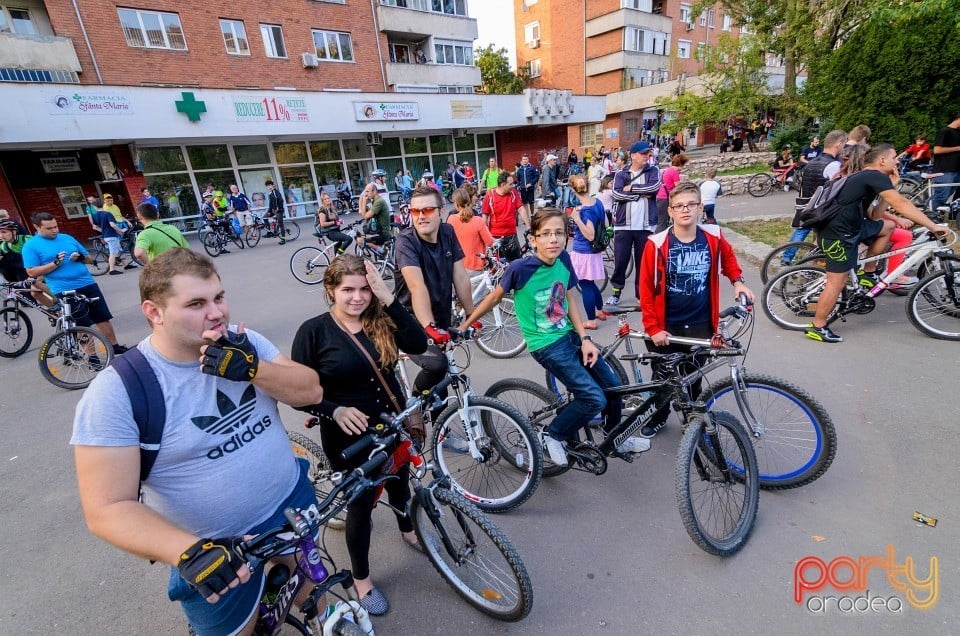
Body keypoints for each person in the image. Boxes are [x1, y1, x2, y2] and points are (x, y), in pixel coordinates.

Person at [72, 248, 324, 636]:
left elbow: (311, 390)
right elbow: (106, 507)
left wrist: (255, 370)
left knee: (312, 591)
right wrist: (186, 553)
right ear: (153, 312)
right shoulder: (118, 391)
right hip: (217, 549)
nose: (217, 313)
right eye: (196, 303)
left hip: (291, 503)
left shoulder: (244, 342)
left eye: (219, 297)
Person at [290, 254, 426, 616]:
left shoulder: (378, 319)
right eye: (348, 289)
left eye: (364, 289)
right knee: (361, 506)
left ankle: (408, 528)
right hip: (349, 438)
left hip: (391, 422)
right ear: (330, 290)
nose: (357, 297)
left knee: (400, 478)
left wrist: (389, 298)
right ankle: (362, 579)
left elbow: (418, 344)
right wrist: (332, 409)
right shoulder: (313, 332)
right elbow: (298, 392)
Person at [459, 208, 647, 466]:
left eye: (559, 233)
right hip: (546, 345)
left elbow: (570, 298)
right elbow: (493, 298)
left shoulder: (564, 260)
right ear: (533, 239)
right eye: (545, 234)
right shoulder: (520, 268)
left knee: (612, 386)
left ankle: (615, 437)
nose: (553, 239)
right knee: (593, 398)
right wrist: (465, 324)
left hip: (569, 335)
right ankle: (553, 434)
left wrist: (585, 339)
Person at [638, 182, 754, 437]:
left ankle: (691, 419)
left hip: (701, 322)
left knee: (694, 375)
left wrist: (738, 283)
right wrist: (653, 327)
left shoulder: (713, 236)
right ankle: (659, 416)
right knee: (663, 378)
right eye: (679, 206)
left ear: (701, 207)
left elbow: (730, 261)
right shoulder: (656, 244)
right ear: (670, 211)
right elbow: (645, 288)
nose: (685, 210)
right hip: (666, 325)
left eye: (691, 204)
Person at [805, 144, 947, 343]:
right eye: (894, 157)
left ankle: (868, 272)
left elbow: (875, 216)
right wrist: (932, 226)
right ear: (882, 161)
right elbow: (902, 204)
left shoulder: (867, 178)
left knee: (887, 226)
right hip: (839, 235)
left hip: (851, 230)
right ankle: (817, 326)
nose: (897, 161)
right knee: (836, 282)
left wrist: (893, 187)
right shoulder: (873, 176)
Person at [393, 185, 474, 398]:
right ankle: (415, 404)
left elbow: (460, 275)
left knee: (443, 376)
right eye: (415, 211)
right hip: (409, 321)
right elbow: (416, 286)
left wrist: (471, 314)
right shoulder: (406, 241)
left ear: (440, 211)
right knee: (437, 365)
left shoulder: (448, 232)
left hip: (441, 315)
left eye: (427, 210)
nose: (421, 216)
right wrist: (429, 327)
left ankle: (442, 430)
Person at [22, 212, 127, 353]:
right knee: (82, 324)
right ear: (36, 227)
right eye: (49, 228)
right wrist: (54, 264)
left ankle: (114, 347)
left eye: (55, 226)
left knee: (102, 318)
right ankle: (92, 357)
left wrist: (81, 258)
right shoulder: (31, 246)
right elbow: (31, 272)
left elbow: (90, 258)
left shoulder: (67, 238)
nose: (54, 230)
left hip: (87, 282)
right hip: (64, 288)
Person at [607, 140, 661, 306]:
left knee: (642, 262)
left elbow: (654, 188)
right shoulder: (621, 174)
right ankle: (616, 293)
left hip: (645, 225)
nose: (647, 156)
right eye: (643, 153)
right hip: (624, 225)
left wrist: (632, 189)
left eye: (648, 153)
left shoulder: (653, 171)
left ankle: (641, 294)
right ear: (633, 156)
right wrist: (639, 194)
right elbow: (616, 194)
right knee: (621, 261)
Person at [566, 175, 609, 329]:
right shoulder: (597, 202)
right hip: (595, 251)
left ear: (573, 190)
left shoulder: (584, 211)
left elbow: (590, 235)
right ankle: (600, 310)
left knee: (585, 285)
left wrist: (576, 219)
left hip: (584, 251)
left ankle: (591, 320)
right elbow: (606, 223)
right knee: (590, 283)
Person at [448, 187, 494, 277]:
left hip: (458, 266)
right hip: (475, 266)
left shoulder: (451, 219)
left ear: (457, 205)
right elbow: (490, 242)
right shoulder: (478, 220)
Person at [481, 171, 526, 261]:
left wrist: (528, 226)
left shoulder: (513, 193)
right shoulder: (490, 196)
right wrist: (486, 236)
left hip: (511, 235)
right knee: (501, 265)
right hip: (496, 237)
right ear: (502, 185)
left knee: (517, 263)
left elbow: (521, 209)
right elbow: (485, 216)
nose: (513, 186)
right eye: (510, 184)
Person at [930, 115, 960, 219]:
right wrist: (957, 148)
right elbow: (937, 150)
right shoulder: (945, 132)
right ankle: (934, 217)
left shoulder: (958, 132)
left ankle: (955, 216)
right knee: (942, 195)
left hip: (957, 169)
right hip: (945, 170)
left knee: (957, 196)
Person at [90, 200, 130, 275]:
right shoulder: (107, 214)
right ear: (103, 204)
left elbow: (95, 227)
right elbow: (112, 224)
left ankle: (126, 265)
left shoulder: (95, 215)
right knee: (113, 253)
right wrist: (120, 230)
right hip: (111, 235)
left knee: (117, 250)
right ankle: (112, 270)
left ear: (95, 207)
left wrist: (104, 230)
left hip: (106, 236)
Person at [655, 153, 689, 232]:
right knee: (665, 222)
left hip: (660, 197)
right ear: (680, 164)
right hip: (666, 198)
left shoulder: (666, 170)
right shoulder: (674, 172)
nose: (683, 168)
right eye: (683, 165)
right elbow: (678, 188)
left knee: (662, 220)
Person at [358, 183, 391, 250]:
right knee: (362, 235)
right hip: (377, 230)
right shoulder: (374, 201)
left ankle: (381, 251)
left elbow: (365, 216)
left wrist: (364, 201)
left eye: (367, 191)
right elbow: (362, 212)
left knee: (360, 240)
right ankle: (380, 252)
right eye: (365, 191)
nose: (366, 194)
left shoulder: (379, 202)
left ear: (374, 191)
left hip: (382, 233)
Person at [515, 153, 540, 222]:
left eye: (526, 159)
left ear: (528, 160)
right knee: (524, 203)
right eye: (523, 159)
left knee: (531, 203)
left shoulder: (532, 167)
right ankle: (527, 217)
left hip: (530, 188)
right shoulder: (519, 169)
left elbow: (537, 176)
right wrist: (518, 185)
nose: (525, 160)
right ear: (521, 160)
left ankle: (532, 214)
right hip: (523, 189)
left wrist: (531, 183)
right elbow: (518, 179)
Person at [264, 179, 287, 245]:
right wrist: (269, 211)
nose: (268, 187)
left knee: (280, 224)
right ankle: (269, 233)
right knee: (265, 218)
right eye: (267, 186)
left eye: (269, 185)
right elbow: (271, 204)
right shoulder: (270, 193)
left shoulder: (275, 192)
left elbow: (281, 200)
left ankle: (283, 239)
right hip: (273, 210)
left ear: (272, 185)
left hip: (279, 210)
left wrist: (279, 208)